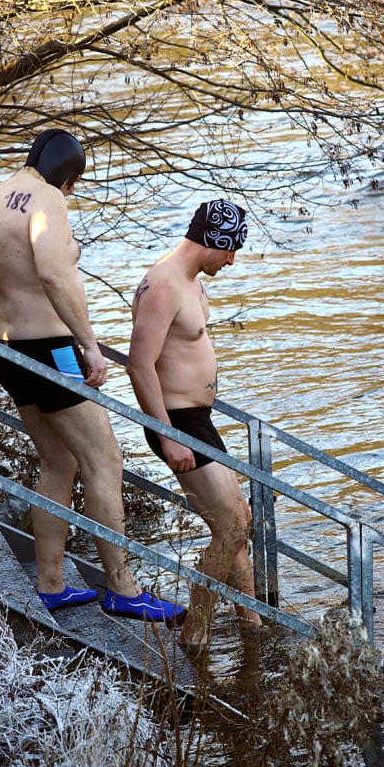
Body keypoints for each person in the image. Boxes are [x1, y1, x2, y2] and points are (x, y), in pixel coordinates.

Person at [0, 129, 182, 619]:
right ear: (67, 175)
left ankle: (51, 583)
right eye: (73, 184)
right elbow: (51, 272)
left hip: (5, 348)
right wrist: (89, 345)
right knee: (104, 459)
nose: (70, 193)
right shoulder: (48, 199)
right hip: (50, 351)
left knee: (58, 463)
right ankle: (123, 588)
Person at [128, 199, 261, 647]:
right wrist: (168, 437)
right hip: (177, 423)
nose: (231, 260)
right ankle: (196, 631)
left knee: (238, 521)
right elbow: (140, 366)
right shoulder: (163, 285)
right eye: (229, 250)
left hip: (196, 419)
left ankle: (252, 626)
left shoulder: (191, 284)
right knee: (231, 525)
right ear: (212, 240)